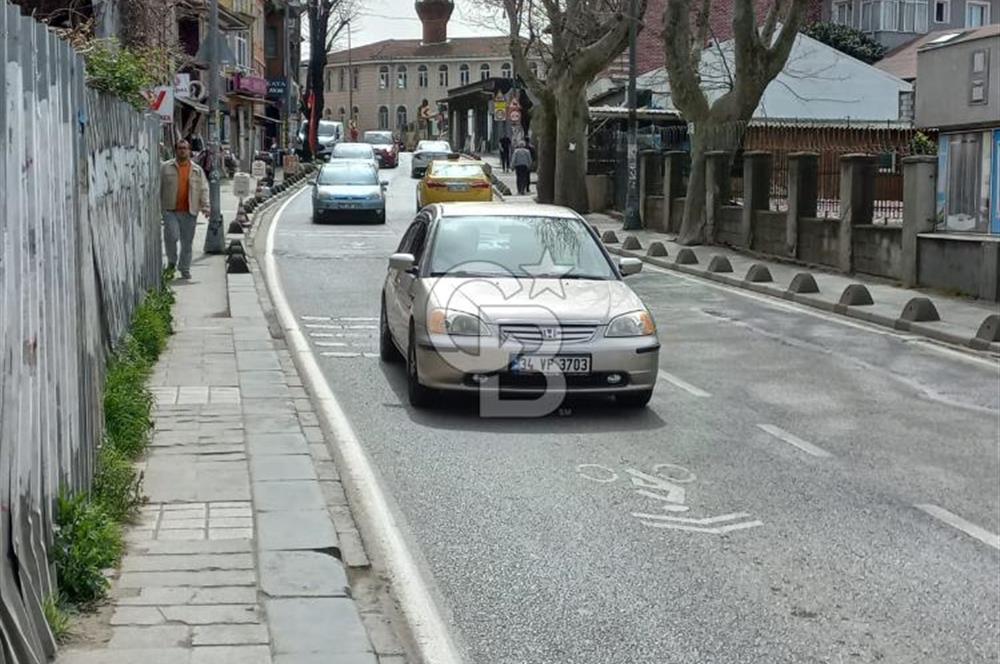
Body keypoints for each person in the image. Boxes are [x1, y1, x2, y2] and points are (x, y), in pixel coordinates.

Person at [160, 140, 209, 279]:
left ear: (189, 151)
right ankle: (171, 262)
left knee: (187, 242)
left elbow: (203, 189)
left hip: (190, 210)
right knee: (172, 236)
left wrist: (205, 207)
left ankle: (184, 268)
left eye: (185, 148)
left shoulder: (197, 170)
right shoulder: (165, 167)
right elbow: (158, 187)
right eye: (180, 148)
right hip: (170, 210)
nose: (183, 151)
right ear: (176, 150)